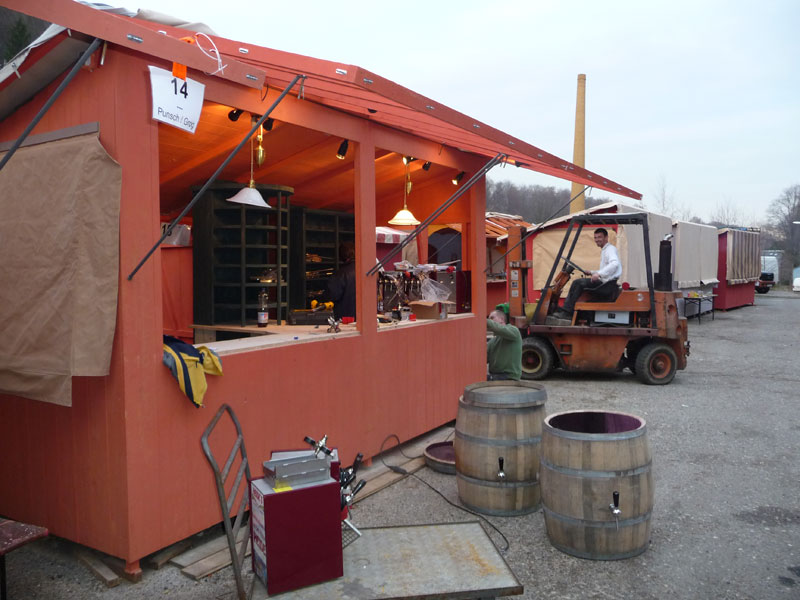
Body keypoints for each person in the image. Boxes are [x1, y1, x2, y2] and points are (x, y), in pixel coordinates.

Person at [553, 227, 622, 319]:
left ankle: (567, 312)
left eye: (599, 237)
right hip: (606, 282)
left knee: (578, 283)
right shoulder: (605, 250)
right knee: (579, 282)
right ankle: (566, 309)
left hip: (606, 285)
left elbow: (615, 264)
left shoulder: (610, 249)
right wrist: (592, 272)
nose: (597, 240)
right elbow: (607, 270)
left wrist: (598, 274)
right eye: (595, 237)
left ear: (606, 237)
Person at [486, 308, 522, 381]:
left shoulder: (514, 330)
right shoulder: (492, 341)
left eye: (492, 318)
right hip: (495, 375)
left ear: (502, 319)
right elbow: (484, 359)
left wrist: (482, 320)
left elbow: (498, 328)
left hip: (509, 376)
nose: (490, 320)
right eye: (489, 319)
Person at [326, 241, 356, 321]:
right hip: (363, 319)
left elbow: (332, 295)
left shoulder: (340, 274)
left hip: (344, 318)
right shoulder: (365, 271)